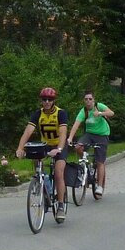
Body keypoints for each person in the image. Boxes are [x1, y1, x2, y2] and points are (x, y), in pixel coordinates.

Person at [15, 87, 69, 220]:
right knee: (36, 161)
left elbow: (63, 133)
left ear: (54, 100)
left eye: (49, 99)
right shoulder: (38, 114)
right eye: (44, 99)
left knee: (58, 173)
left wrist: (59, 149)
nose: (46, 102)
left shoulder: (61, 113)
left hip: (59, 145)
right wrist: (20, 148)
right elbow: (27, 132)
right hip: (45, 144)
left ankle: (61, 206)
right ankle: (43, 188)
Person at [67, 90, 114, 197]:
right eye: (86, 99)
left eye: (90, 99)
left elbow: (111, 113)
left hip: (102, 134)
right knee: (78, 147)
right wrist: (70, 138)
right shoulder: (83, 111)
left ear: (93, 100)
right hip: (89, 135)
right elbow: (76, 124)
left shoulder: (99, 106)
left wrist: (101, 113)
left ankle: (100, 187)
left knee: (100, 161)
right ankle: (85, 163)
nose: (88, 101)